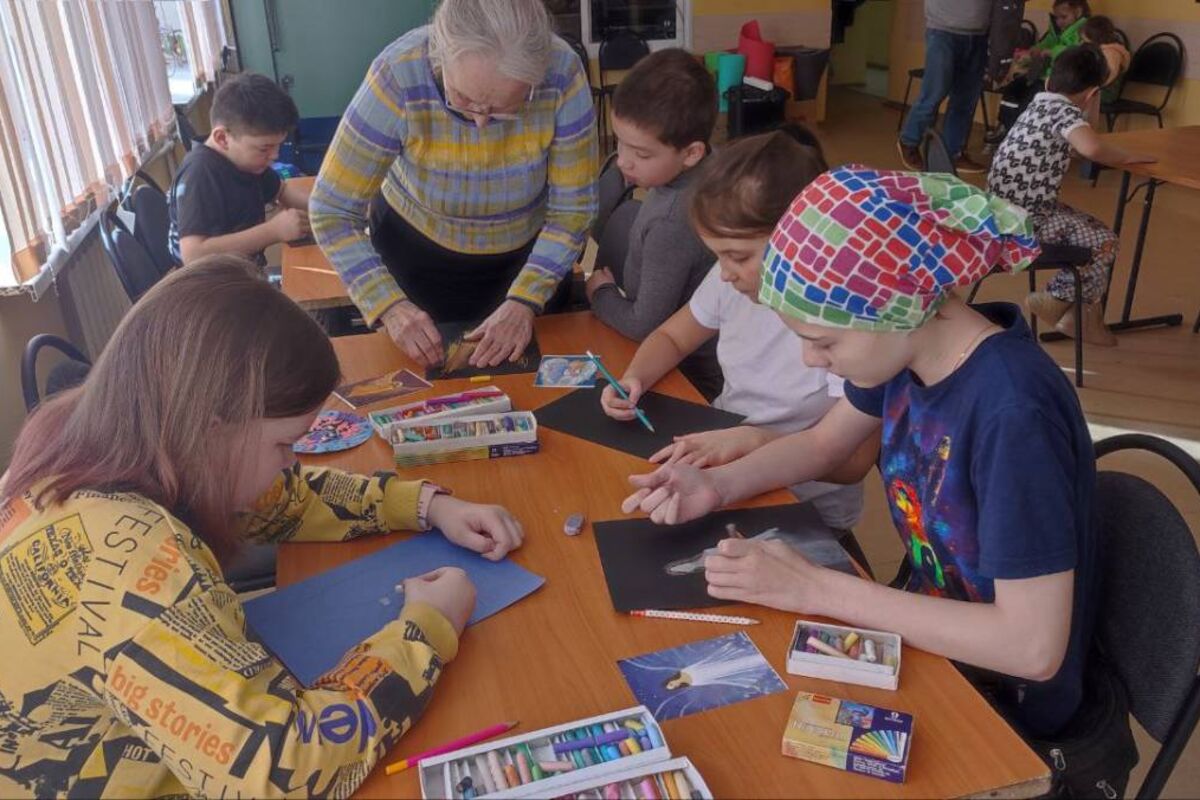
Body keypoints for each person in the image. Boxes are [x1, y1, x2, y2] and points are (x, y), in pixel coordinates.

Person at [0, 256, 525, 798]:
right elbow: (283, 772)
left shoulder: (97, 436)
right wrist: (426, 630)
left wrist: (427, 505)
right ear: (210, 427)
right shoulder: (134, 563)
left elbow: (279, 499)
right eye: (283, 444)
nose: (289, 462)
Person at [621, 166, 1101, 744]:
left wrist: (819, 589)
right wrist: (717, 487)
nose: (808, 361)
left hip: (1004, 703)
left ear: (899, 307)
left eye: (823, 342)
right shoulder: (907, 349)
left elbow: (1031, 648)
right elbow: (824, 444)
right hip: (928, 633)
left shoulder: (1011, 413)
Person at [600, 126, 874, 538]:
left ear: (800, 239)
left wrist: (754, 440)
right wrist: (634, 379)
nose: (725, 274)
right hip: (723, 461)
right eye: (718, 257)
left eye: (737, 256)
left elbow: (850, 462)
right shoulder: (734, 277)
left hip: (801, 500)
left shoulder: (846, 326)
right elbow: (672, 337)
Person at [310, 0, 597, 371]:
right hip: (416, 263)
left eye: (502, 109)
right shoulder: (399, 73)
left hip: (528, 262)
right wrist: (389, 306)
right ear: (440, 57)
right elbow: (331, 210)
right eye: (462, 99)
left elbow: (573, 211)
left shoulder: (563, 73)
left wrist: (526, 300)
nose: (479, 123)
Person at [988, 44, 1154, 345]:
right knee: (1105, 242)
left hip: (1002, 210)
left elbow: (1087, 130)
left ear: (1051, 80)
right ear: (1091, 93)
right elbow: (1091, 147)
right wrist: (1127, 157)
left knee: (1089, 228)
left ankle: (1080, 315)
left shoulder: (1041, 101)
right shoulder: (1064, 112)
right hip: (1026, 221)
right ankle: (1058, 300)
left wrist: (1093, 94)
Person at [585, 48, 721, 399]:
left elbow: (643, 325)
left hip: (688, 374)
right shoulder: (710, 166)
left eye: (642, 154)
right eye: (620, 144)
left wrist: (600, 294)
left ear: (692, 153)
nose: (624, 162)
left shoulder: (672, 221)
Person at [169, 73, 310, 267]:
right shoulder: (200, 173)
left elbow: (282, 191)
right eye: (265, 148)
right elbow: (193, 254)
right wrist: (274, 231)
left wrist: (327, 209)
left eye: (278, 146)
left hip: (245, 271)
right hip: (210, 286)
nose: (275, 156)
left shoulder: (247, 162)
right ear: (222, 138)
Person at [897, 0, 991, 174]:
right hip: (943, 31)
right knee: (934, 93)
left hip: (980, 34)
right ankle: (909, 141)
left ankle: (953, 153)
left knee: (965, 100)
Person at [992, 0, 1091, 144]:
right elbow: (1048, 42)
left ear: (1078, 12)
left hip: (1064, 80)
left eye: (1063, 17)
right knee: (1013, 89)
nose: (1059, 22)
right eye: (1056, 17)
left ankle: (1021, 134)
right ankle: (1006, 126)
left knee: (1031, 97)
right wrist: (1035, 50)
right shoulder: (1057, 30)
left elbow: (1076, 52)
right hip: (1044, 76)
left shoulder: (1084, 30)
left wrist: (1052, 52)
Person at [1080, 16, 1130, 95]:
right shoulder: (1099, 49)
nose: (1082, 43)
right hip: (1095, 88)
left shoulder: (1111, 53)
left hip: (1106, 92)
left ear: (1094, 38)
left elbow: (1109, 77)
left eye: (1085, 41)